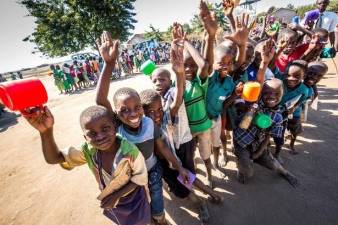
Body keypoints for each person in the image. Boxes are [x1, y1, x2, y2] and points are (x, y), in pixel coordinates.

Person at [95, 31, 190, 225]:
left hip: (152, 169)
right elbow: (99, 100)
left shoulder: (148, 122)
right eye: (124, 110)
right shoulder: (117, 126)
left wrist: (179, 166)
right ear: (115, 113)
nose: (133, 114)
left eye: (137, 108)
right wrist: (109, 65)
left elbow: (162, 146)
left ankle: (160, 219)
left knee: (156, 200)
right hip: (129, 177)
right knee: (137, 204)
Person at [23, 105, 150, 225]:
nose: (100, 137)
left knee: (141, 220)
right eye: (92, 134)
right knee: (123, 221)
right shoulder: (89, 151)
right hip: (113, 200)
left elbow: (140, 178)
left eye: (105, 129)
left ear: (115, 127)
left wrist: (116, 195)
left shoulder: (130, 151)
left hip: (134, 197)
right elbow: (54, 158)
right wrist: (46, 131)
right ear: (85, 137)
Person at [147, 28, 223, 223]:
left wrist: (179, 72)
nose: (158, 82)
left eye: (162, 78)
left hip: (183, 145)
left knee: (184, 180)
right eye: (154, 80)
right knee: (181, 177)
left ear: (170, 80)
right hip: (167, 151)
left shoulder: (172, 94)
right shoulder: (155, 101)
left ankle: (200, 204)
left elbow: (179, 95)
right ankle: (209, 195)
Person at [233, 78, 299, 187]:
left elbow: (269, 135)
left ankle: (285, 173)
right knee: (247, 172)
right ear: (260, 94)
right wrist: (252, 110)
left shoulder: (278, 116)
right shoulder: (254, 104)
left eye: (276, 93)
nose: (271, 96)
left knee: (273, 165)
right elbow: (243, 125)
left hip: (258, 144)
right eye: (266, 93)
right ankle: (241, 167)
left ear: (282, 94)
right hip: (241, 142)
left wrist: (259, 151)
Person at [274, 60, 309, 159]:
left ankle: (291, 144)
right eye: (288, 75)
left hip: (294, 112)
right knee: (279, 133)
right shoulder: (280, 80)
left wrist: (294, 108)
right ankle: (277, 152)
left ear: (303, 76)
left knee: (294, 129)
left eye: (297, 76)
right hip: (279, 112)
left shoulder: (304, 89)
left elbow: (302, 100)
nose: (291, 79)